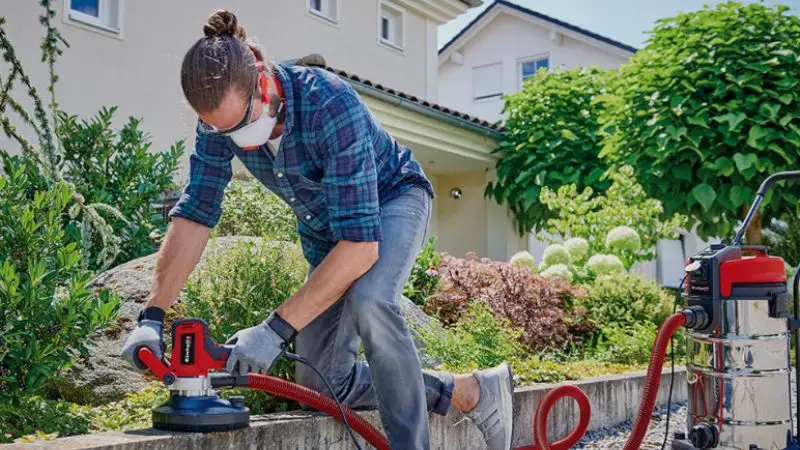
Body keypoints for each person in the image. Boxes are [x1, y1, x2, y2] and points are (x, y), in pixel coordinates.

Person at [120, 9, 513, 450]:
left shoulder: (328, 102)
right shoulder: (218, 124)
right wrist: (151, 317)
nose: (234, 137)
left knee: (372, 300)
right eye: (222, 129)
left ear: (262, 79)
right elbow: (196, 213)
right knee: (322, 381)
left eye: (241, 122)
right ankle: (469, 392)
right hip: (329, 233)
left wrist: (272, 331)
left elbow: (362, 248)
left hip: (392, 201)